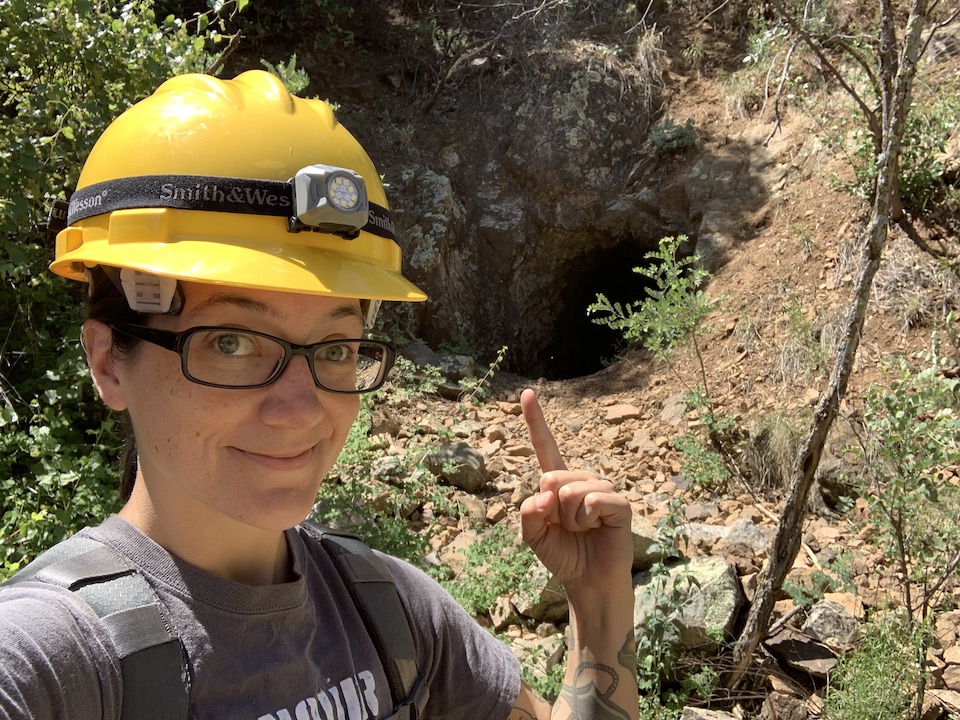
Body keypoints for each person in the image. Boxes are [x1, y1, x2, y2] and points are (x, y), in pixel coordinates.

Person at [0, 70, 638, 720]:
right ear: (109, 363)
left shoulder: (392, 616)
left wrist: (601, 600)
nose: (302, 409)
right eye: (232, 342)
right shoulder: (48, 661)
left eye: (335, 350)